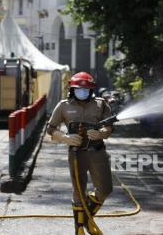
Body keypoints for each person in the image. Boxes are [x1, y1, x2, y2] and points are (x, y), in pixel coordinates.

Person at [47, 72, 114, 235]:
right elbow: (50, 128)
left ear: (91, 90)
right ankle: (79, 229)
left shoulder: (101, 104)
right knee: (78, 190)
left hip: (97, 152)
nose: (82, 92)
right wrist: (64, 137)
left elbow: (110, 126)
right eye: (78, 89)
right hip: (76, 154)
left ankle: (87, 218)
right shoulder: (63, 105)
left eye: (86, 89)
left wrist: (101, 134)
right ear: (72, 89)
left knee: (105, 189)